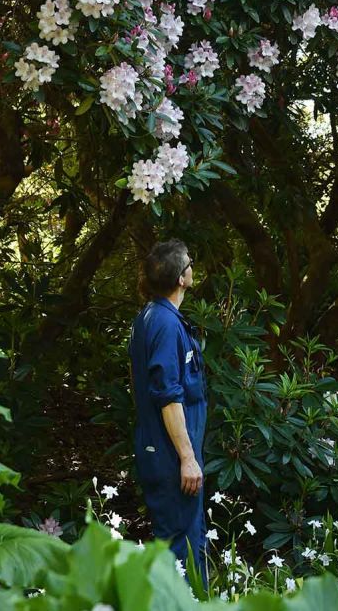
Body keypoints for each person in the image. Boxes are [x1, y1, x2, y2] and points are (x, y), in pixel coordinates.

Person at [128, 238, 208, 583]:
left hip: (165, 453)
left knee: (186, 545)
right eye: (188, 262)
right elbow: (168, 397)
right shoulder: (163, 324)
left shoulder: (153, 317)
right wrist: (187, 459)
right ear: (181, 278)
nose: (192, 266)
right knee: (182, 555)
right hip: (171, 458)